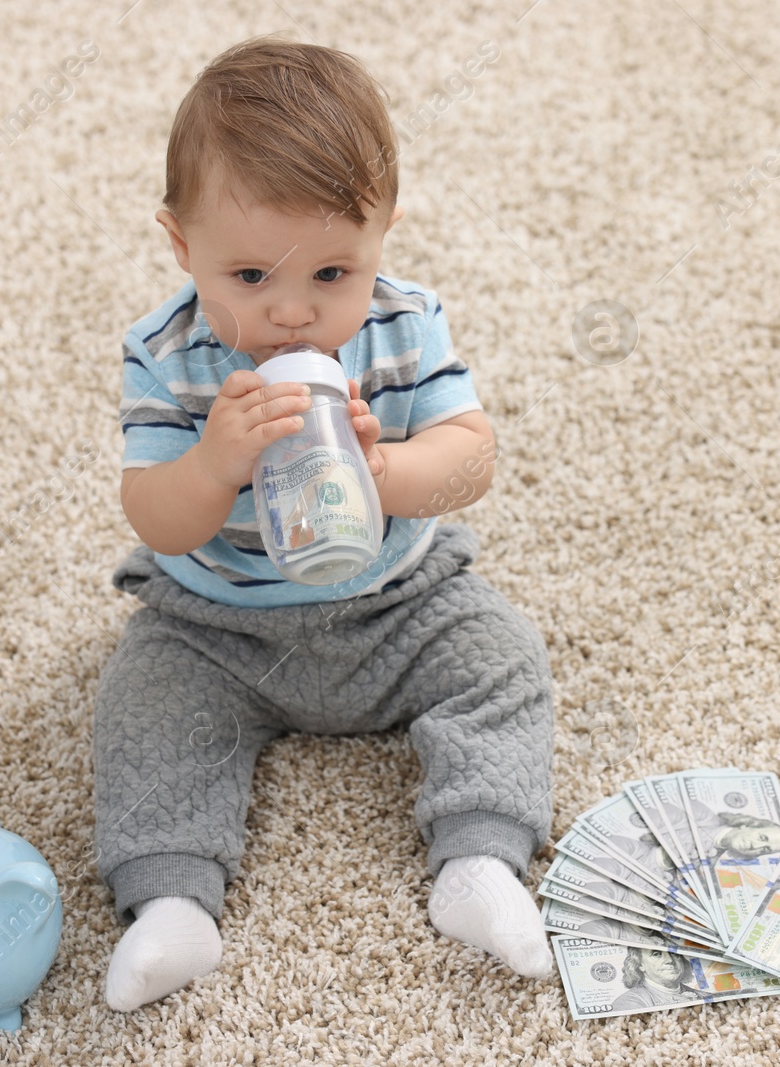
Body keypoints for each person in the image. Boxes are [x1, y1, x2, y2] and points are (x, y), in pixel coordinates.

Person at [93, 35, 556, 1011]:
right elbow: (154, 517)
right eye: (251, 277)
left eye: (332, 275)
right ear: (183, 249)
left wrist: (385, 467)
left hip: (395, 600)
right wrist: (214, 462)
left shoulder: (404, 323)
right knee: (142, 704)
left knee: (504, 657)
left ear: (383, 232)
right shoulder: (165, 354)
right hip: (218, 623)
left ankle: (479, 861)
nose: (292, 316)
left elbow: (472, 456)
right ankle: (171, 897)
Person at [609, 949, 701, 1012]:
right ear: (640, 965)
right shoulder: (628, 1003)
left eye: (674, 953)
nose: (669, 960)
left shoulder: (704, 996)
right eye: (656, 954)